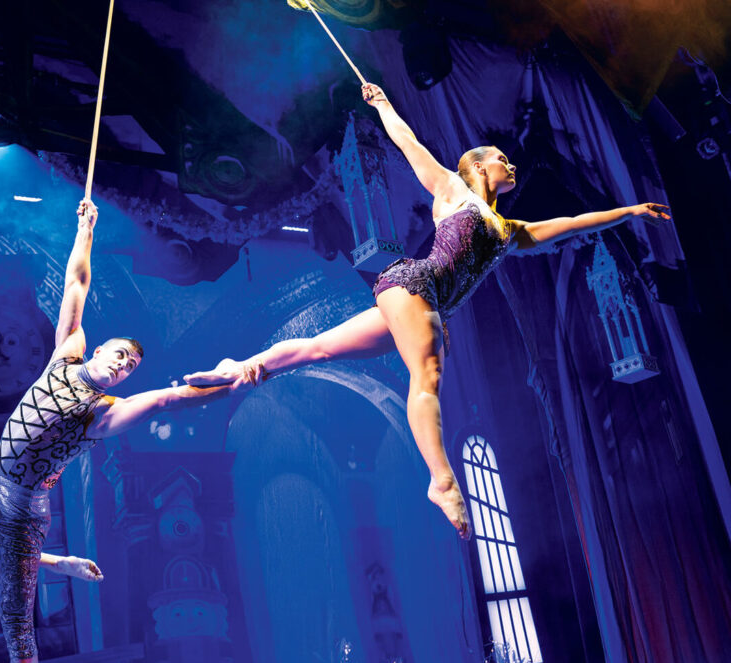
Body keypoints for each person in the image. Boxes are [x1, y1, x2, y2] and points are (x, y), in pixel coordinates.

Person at [185, 82, 670, 540]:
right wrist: (382, 105)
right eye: (503, 160)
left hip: (421, 300)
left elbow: (566, 223)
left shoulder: (509, 229)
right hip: (415, 284)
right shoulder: (452, 192)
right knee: (429, 371)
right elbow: (408, 142)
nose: (512, 166)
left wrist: (627, 211)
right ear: (477, 167)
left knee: (318, 348)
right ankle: (441, 478)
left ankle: (241, 367)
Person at [0, 199, 245, 663]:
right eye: (120, 354)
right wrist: (85, 230)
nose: (123, 365)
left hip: (25, 513)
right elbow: (77, 283)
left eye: (131, 366)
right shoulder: (65, 355)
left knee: (15, 621)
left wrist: (234, 381)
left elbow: (171, 400)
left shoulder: (104, 414)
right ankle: (60, 563)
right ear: (101, 347)